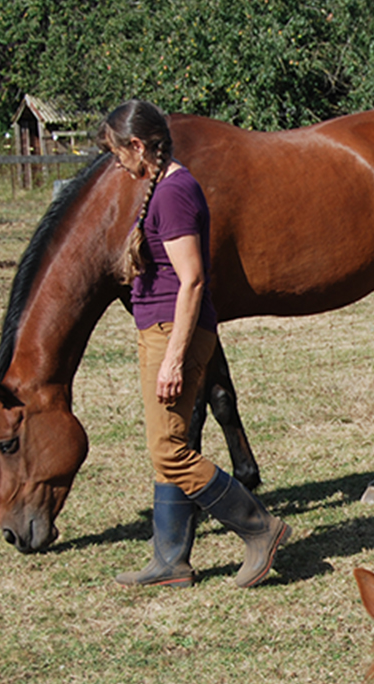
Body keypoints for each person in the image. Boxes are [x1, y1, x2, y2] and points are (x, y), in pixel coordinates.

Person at [97, 100, 289, 588]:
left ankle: (260, 529)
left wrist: (175, 358)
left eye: (120, 153)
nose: (118, 163)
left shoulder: (175, 193)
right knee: (168, 443)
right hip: (158, 330)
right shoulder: (161, 187)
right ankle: (171, 560)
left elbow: (194, 281)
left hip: (173, 333)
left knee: (169, 452)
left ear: (139, 146)